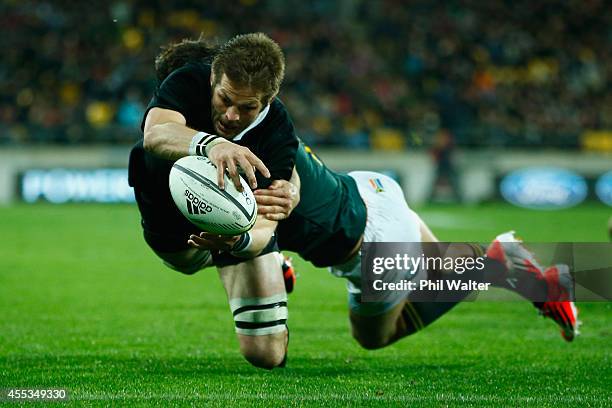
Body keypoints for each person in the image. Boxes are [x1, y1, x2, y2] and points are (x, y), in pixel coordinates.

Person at [243, 139, 580, 351]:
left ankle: (497, 264)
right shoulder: (268, 121)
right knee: (440, 269)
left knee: (374, 338)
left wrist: (269, 262)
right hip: (370, 186)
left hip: (372, 241)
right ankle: (530, 279)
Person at [129, 33, 302, 369]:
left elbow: (267, 222)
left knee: (265, 355)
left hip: (239, 235)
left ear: (268, 101)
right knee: (143, 157)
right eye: (225, 100)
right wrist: (213, 145)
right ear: (212, 78)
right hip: (178, 240)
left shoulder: (278, 131)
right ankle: (275, 266)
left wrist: (241, 240)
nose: (233, 116)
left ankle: (274, 264)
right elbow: (155, 133)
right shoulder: (188, 80)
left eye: (248, 107)